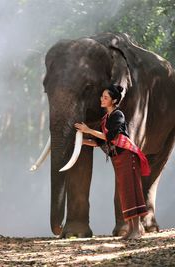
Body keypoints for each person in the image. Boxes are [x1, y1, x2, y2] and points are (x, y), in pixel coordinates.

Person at [74, 84, 151, 239]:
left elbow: (111, 138)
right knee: (124, 193)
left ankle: (137, 230)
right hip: (119, 159)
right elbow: (99, 142)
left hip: (127, 156)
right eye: (102, 96)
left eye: (105, 97)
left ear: (114, 100)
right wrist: (82, 142)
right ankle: (131, 229)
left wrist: (88, 130)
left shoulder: (118, 115)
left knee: (130, 191)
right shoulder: (106, 118)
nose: (101, 99)